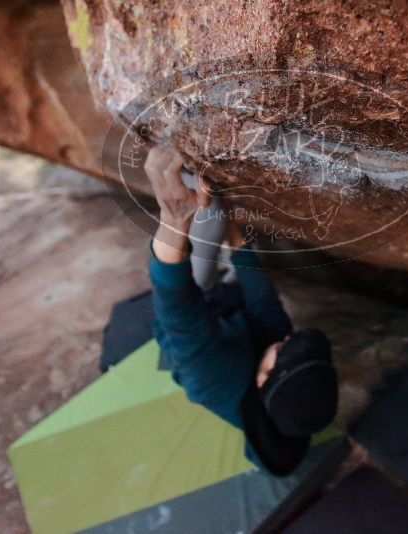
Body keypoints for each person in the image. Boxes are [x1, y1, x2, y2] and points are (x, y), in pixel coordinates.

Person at [145, 146, 339, 476]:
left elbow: (175, 305)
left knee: (202, 219)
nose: (286, 338)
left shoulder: (215, 379)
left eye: (284, 349)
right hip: (234, 322)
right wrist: (231, 213)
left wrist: (175, 219)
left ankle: (209, 247)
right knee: (221, 214)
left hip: (196, 325)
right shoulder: (283, 364)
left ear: (262, 380)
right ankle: (221, 247)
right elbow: (262, 300)